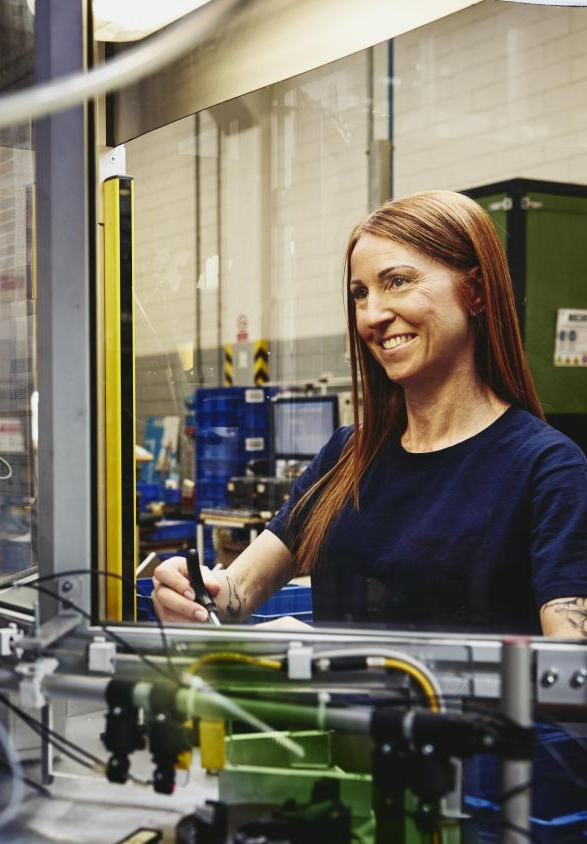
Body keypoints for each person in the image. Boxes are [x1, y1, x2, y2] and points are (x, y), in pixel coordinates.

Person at [153, 190, 587, 638]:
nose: (372, 315)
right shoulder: (347, 455)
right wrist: (195, 595)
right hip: (336, 709)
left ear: (474, 292)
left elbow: (567, 674)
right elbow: (236, 591)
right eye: (360, 294)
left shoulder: (546, 469)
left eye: (397, 281)